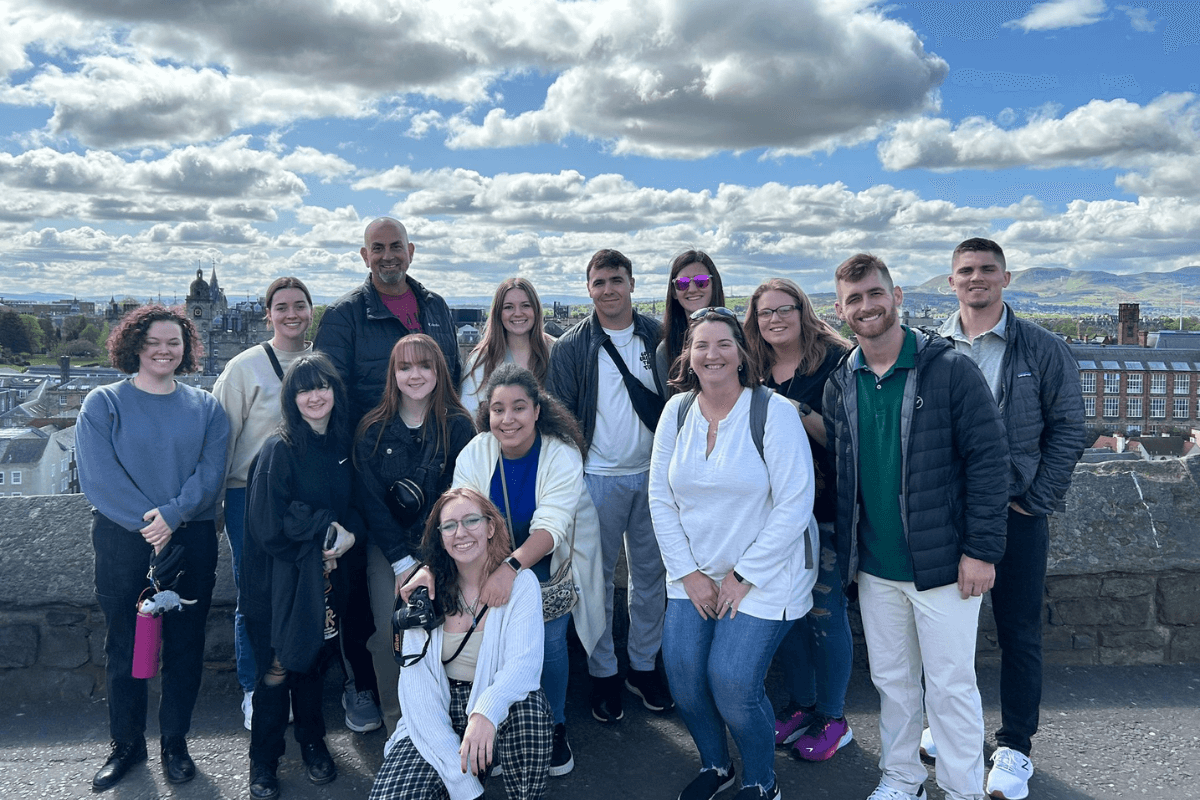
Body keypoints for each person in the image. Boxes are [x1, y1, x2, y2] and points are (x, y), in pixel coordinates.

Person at [824, 254, 1009, 800]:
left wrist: (981, 550)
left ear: (896, 295)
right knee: (893, 684)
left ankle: (961, 788)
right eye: (854, 299)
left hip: (944, 563)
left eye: (875, 293)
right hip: (876, 566)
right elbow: (843, 475)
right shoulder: (843, 379)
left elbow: (989, 462)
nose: (866, 306)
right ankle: (902, 778)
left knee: (951, 687)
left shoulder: (948, 369)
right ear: (839, 310)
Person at [927, 238, 1085, 800]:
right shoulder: (929, 348)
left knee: (1018, 633)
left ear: (1006, 278)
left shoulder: (1042, 348)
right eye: (965, 270)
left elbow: (1069, 428)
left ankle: (1015, 746)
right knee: (947, 634)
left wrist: (1036, 498)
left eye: (987, 270)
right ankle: (951, 727)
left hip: (1017, 513)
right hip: (947, 514)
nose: (977, 278)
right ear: (951, 282)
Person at [649, 307, 817, 800]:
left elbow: (794, 503)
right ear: (689, 356)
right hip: (694, 573)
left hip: (763, 576)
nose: (712, 353)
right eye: (701, 344)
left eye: (724, 343)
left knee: (732, 682)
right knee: (682, 675)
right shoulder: (675, 412)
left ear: (742, 354)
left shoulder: (774, 413)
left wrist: (741, 577)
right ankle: (716, 766)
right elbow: (659, 497)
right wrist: (688, 574)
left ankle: (762, 781)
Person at [315, 216, 461, 733]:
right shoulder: (342, 316)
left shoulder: (437, 308)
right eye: (377, 248)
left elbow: (452, 384)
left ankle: (439, 710)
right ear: (364, 256)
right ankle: (372, 694)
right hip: (365, 470)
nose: (387, 255)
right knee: (369, 604)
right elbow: (327, 399)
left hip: (433, 480)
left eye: (395, 246)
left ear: (411, 251)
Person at [75, 305, 229, 791]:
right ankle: (126, 746)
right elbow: (99, 478)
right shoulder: (103, 403)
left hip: (190, 536)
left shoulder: (206, 406)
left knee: (185, 646)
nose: (164, 351)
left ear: (186, 350)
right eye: (154, 342)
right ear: (134, 346)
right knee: (124, 643)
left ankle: (175, 744)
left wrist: (173, 516)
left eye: (174, 343)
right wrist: (154, 522)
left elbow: (212, 473)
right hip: (125, 539)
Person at [451, 363, 605, 776]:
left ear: (537, 410)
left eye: (519, 407)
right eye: (498, 409)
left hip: (542, 565)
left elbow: (551, 526)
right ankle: (498, 724)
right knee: (494, 645)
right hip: (485, 563)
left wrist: (511, 569)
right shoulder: (476, 451)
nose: (508, 419)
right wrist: (485, 572)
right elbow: (461, 518)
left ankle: (554, 725)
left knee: (548, 646)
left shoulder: (561, 452)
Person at [547, 248, 673, 723]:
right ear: (588, 289)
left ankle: (643, 665)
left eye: (616, 280)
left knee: (651, 577)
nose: (608, 290)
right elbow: (559, 418)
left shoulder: (659, 338)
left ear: (632, 284)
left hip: (654, 475)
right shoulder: (571, 347)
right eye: (598, 282)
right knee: (594, 581)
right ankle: (603, 671)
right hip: (597, 477)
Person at [370, 487, 552, 800]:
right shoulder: (422, 594)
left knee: (530, 710)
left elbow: (524, 666)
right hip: (436, 705)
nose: (461, 533)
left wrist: (484, 714)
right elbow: (418, 693)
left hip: (491, 699)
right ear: (439, 535)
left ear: (491, 527)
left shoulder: (521, 584)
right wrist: (461, 780)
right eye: (450, 525)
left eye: (471, 521)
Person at [744, 278, 856, 762]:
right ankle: (801, 705)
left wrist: (793, 408)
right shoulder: (753, 365)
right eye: (765, 313)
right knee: (783, 614)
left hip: (825, 510)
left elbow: (844, 438)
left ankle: (834, 717)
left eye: (784, 309)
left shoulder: (836, 361)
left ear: (802, 310)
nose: (774, 320)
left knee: (827, 613)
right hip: (769, 514)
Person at [242, 353, 360, 799]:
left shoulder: (343, 444)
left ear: (335, 391)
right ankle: (264, 761)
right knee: (275, 668)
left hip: (324, 580)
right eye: (304, 389)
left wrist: (345, 537)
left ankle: (312, 744)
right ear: (291, 398)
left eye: (323, 386)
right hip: (277, 583)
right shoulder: (279, 448)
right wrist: (326, 535)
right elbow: (269, 525)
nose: (315, 396)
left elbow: (356, 510)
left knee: (311, 662)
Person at [354, 334, 476, 733]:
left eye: (424, 365)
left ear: (439, 370)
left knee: (445, 633)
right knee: (389, 635)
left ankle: (443, 725)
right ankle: (399, 730)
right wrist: (402, 562)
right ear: (393, 374)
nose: (415, 375)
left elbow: (464, 495)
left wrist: (434, 560)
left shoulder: (459, 428)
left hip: (445, 547)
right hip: (389, 551)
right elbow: (370, 501)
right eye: (405, 367)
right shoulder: (373, 428)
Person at [213, 276, 315, 730]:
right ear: (267, 313)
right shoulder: (243, 367)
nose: (291, 314)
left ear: (312, 310)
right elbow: (221, 440)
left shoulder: (321, 363)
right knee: (253, 595)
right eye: (281, 307)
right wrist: (213, 503)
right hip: (247, 496)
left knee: (305, 596)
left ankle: (296, 684)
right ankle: (255, 688)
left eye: (299, 305)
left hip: (305, 499)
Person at [460, 277, 556, 416]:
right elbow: (469, 415)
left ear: (536, 310)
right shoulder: (480, 360)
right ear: (498, 313)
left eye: (525, 305)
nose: (517, 313)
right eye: (509, 307)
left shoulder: (556, 351)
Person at [654, 250, 727, 391]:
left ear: (714, 284)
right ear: (674, 292)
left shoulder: (741, 337)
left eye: (701, 281)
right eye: (683, 283)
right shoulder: (666, 351)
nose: (692, 289)